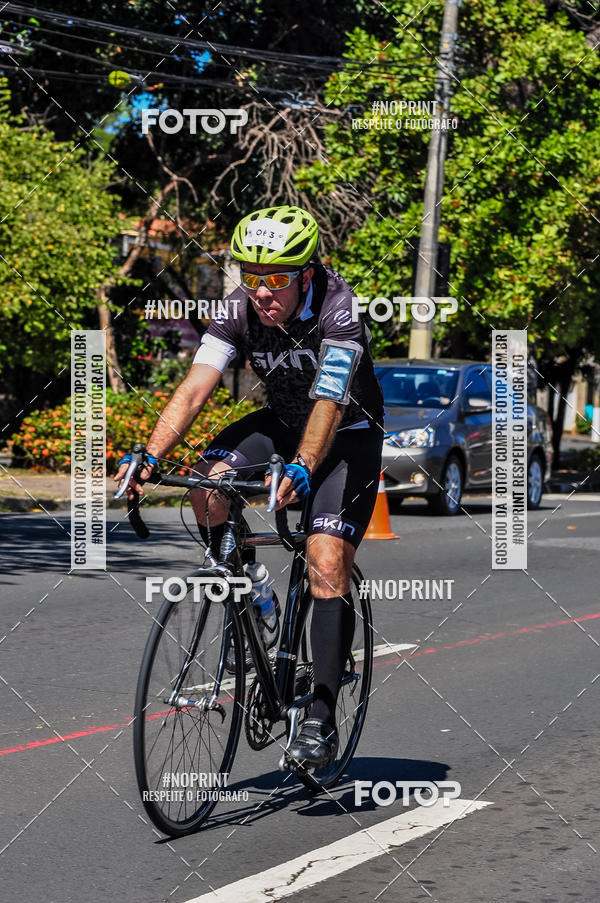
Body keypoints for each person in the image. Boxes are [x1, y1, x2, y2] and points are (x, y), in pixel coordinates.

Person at [115, 205, 384, 767]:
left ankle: (321, 715)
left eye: (277, 279)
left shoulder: (339, 310)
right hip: (283, 424)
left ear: (307, 274)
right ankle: (248, 590)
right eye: (251, 276)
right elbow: (193, 390)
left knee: (325, 555)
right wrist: (149, 455)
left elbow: (330, 400)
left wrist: (305, 466)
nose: (262, 292)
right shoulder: (239, 308)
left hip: (346, 436)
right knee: (206, 484)